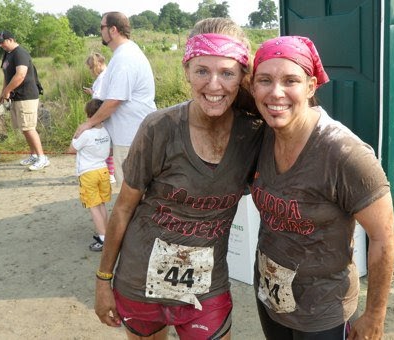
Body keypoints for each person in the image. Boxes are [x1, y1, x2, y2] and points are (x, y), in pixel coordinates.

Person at [94, 18, 263, 339]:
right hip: (139, 278)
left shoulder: (253, 133)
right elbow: (123, 209)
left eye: (227, 73)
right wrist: (103, 281)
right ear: (186, 71)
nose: (214, 85)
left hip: (207, 285)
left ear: (243, 76)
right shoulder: (159, 128)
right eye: (202, 71)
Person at [249, 36, 394, 340]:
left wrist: (374, 314)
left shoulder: (345, 155)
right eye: (265, 80)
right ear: (253, 87)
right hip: (270, 293)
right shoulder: (262, 135)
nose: (276, 92)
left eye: (291, 80)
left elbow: (383, 236)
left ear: (311, 86)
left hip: (323, 309)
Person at [74, 12, 156, 186]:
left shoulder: (124, 58)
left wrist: (88, 124)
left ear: (113, 30)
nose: (100, 31)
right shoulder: (125, 53)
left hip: (130, 136)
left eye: (101, 27)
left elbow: (114, 100)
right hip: (133, 133)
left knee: (131, 190)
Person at [0, 30, 49, 171]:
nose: (0, 45)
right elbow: (7, 76)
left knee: (29, 127)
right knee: (24, 128)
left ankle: (42, 157)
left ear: (11, 39)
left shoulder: (20, 53)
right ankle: (34, 155)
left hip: (27, 95)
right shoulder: (7, 54)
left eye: (2, 42)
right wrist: (3, 92)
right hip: (17, 96)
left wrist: (7, 91)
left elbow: (21, 75)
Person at [68, 98, 112, 252]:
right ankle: (106, 232)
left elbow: (71, 150)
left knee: (93, 206)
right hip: (103, 170)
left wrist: (78, 131)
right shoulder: (106, 132)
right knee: (101, 204)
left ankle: (103, 238)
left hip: (88, 173)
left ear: (89, 115)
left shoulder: (86, 134)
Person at [84, 52, 116, 184]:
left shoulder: (104, 77)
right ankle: (109, 172)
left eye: (92, 67)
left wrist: (92, 93)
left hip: (103, 115)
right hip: (104, 115)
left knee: (106, 147)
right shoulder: (104, 76)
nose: (91, 70)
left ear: (100, 63)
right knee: (106, 145)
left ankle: (110, 173)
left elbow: (101, 98)